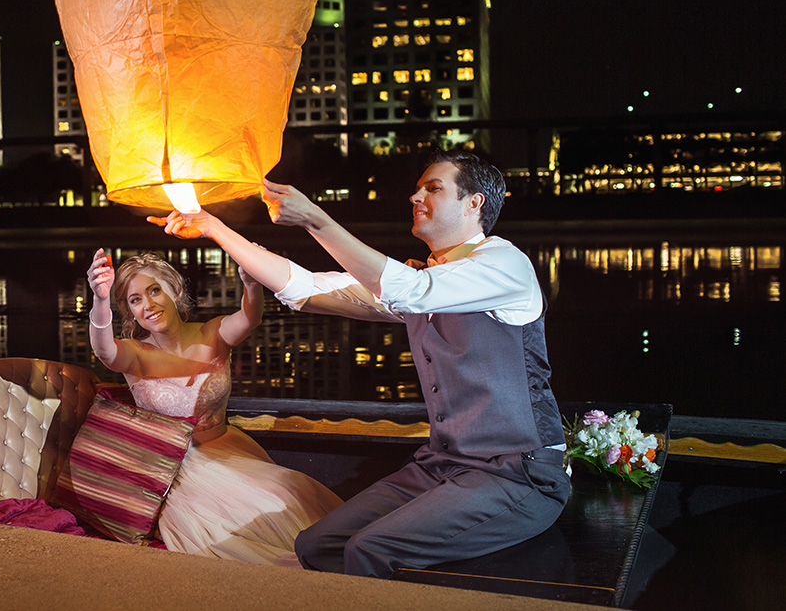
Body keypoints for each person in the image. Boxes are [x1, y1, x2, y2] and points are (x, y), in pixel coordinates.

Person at [151, 148, 570, 578]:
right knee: (315, 545)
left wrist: (315, 217)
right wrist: (215, 228)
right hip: (444, 464)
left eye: (433, 187)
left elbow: (410, 290)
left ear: (474, 202)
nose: (415, 196)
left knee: (369, 550)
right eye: (417, 187)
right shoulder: (428, 278)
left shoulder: (505, 264)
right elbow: (307, 288)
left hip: (519, 474)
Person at [86, 250, 342, 566]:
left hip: (228, 447)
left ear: (174, 291)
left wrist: (251, 283)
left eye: (155, 290)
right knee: (231, 521)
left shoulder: (213, 333)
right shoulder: (134, 354)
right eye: (136, 300)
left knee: (290, 490)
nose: (149, 305)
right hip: (177, 468)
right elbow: (103, 350)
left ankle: (344, 562)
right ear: (131, 312)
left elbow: (249, 318)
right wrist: (100, 299)